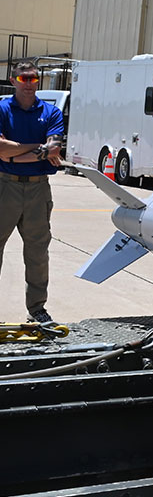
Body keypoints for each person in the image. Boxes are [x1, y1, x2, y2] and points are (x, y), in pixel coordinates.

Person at [0, 62, 65, 324]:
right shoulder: (2, 109)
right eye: (23, 78)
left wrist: (14, 155)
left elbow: (54, 149)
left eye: (33, 78)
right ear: (13, 81)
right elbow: (0, 149)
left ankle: (37, 309)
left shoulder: (51, 112)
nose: (28, 83)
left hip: (39, 189)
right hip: (5, 186)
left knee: (38, 252)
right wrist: (39, 148)